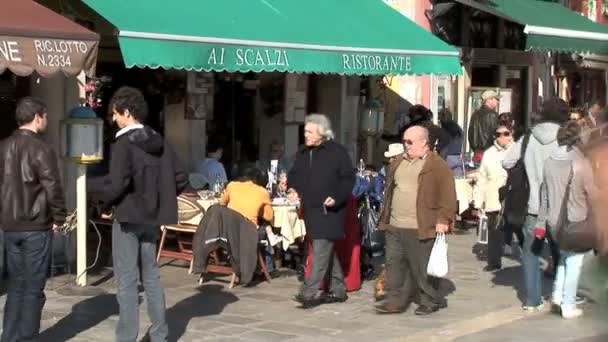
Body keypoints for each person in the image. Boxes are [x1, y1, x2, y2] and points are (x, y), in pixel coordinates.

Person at [88, 87, 188, 341]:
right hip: (152, 218)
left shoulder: (123, 144)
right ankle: (159, 334)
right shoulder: (160, 140)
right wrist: (158, 197)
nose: (113, 119)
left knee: (127, 279)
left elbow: (117, 184)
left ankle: (126, 337)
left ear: (127, 112)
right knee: (151, 275)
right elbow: (181, 177)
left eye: (115, 114)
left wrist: (96, 196)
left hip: (129, 217)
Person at [0, 97, 67, 342]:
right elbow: (52, 186)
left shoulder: (3, 147)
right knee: (33, 287)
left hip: (9, 227)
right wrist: (60, 216)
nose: (46, 120)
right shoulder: (41, 148)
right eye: (46, 116)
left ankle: (8, 336)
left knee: (16, 285)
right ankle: (27, 337)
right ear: (37, 116)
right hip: (36, 226)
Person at [375, 126, 456, 315]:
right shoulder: (398, 163)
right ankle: (395, 300)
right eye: (404, 141)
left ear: (424, 142)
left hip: (421, 225)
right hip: (395, 224)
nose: (406, 145)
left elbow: (448, 195)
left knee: (421, 267)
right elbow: (390, 189)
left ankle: (428, 300)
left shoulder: (437, 166)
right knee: (394, 264)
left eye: (410, 142)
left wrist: (444, 219)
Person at [502, 97, 570, 312]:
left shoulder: (527, 138)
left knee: (530, 253)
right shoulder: (565, 138)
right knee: (563, 254)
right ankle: (560, 296)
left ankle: (532, 300)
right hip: (560, 208)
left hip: (532, 207)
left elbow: (507, 161)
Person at [288, 114, 355, 308]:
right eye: (305, 131)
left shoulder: (337, 152)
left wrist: (337, 196)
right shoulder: (303, 152)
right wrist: (293, 188)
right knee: (326, 251)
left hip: (330, 211)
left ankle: (308, 292)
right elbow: (295, 174)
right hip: (310, 210)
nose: (306, 135)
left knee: (320, 251)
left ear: (322, 133)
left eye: (309, 132)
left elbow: (348, 178)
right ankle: (339, 290)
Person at [536, 121, 594, 319]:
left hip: (553, 220)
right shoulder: (580, 162)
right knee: (575, 262)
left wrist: (540, 222)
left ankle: (557, 296)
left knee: (563, 259)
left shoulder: (549, 160)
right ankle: (568, 304)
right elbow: (592, 192)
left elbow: (543, 194)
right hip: (575, 219)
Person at [474, 120, 514, 271]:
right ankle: (494, 261)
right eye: (499, 134)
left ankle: (528, 256)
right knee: (494, 228)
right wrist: (478, 201)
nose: (502, 137)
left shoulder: (517, 150)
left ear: (511, 134)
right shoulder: (489, 153)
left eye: (506, 134)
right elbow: (482, 178)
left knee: (515, 225)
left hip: (512, 194)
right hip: (493, 195)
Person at [469, 90, 499, 162]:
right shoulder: (493, 115)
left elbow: (470, 134)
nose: (497, 102)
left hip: (476, 153)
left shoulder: (475, 114)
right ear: (489, 100)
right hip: (489, 153)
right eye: (496, 99)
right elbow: (495, 134)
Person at [439, 108, 464, 176]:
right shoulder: (458, 128)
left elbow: (443, 145)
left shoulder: (444, 129)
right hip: (457, 156)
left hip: (447, 157)